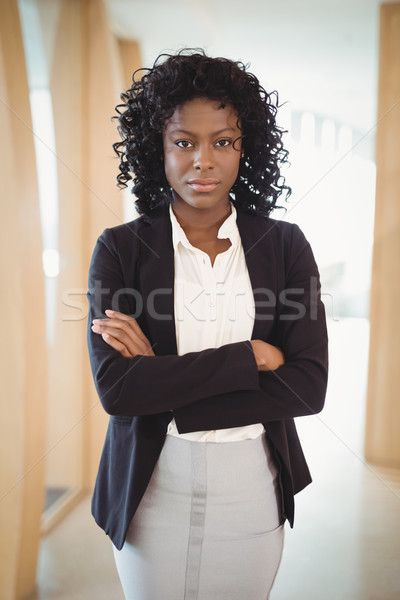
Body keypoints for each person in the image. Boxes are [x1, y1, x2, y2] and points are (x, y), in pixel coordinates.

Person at [87, 49, 328, 600]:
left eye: (223, 141)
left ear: (247, 148)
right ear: (158, 149)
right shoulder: (121, 249)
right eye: (183, 142)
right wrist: (248, 359)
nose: (203, 161)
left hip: (253, 488)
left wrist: (164, 382)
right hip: (151, 487)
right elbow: (118, 390)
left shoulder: (285, 247)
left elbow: (308, 385)